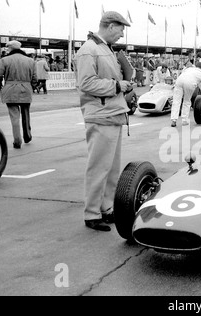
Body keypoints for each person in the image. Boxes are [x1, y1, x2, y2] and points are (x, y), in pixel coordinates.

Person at [74, 11, 132, 232]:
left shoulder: (104, 49)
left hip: (112, 113)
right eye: (120, 29)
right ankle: (91, 213)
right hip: (100, 115)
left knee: (111, 169)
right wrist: (117, 86)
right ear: (109, 26)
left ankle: (107, 207)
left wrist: (123, 83)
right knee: (98, 168)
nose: (121, 34)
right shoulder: (89, 50)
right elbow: (86, 83)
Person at [0, 40, 36, 149]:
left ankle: (17, 140)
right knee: (26, 113)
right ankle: (27, 135)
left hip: (10, 90)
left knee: (14, 117)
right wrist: (32, 86)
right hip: (26, 89)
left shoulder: (4, 60)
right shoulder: (30, 61)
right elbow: (34, 78)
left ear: (10, 49)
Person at [170, 62, 201, 127]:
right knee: (187, 101)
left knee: (176, 101)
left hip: (179, 81)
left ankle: (174, 120)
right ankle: (184, 120)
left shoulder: (189, 69)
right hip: (190, 82)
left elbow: (183, 73)